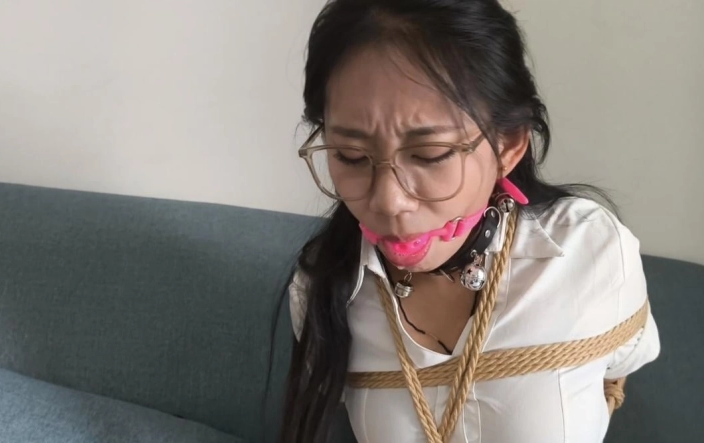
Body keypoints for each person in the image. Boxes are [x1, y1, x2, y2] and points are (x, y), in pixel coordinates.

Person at [279, 1, 660, 442]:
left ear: (508, 145)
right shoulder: (322, 288)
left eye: (431, 154)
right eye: (350, 156)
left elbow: (618, 369)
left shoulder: (591, 252)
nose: (388, 201)